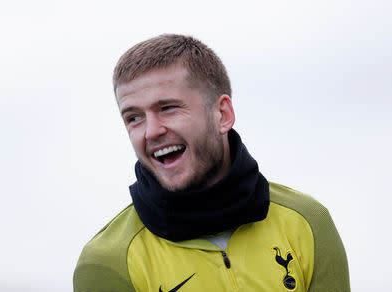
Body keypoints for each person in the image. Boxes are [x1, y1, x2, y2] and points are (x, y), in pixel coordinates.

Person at [73, 34, 350, 292]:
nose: (151, 131)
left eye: (167, 108)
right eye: (134, 117)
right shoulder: (107, 261)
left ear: (223, 114)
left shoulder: (308, 223)